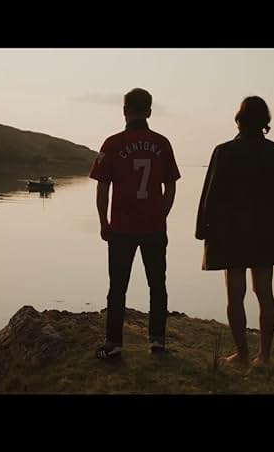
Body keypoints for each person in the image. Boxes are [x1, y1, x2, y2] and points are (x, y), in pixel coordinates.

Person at [195, 96, 274, 365]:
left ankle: (241, 354)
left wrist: (202, 229)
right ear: (265, 122)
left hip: (230, 231)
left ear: (239, 120)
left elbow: (211, 193)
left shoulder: (224, 151)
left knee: (235, 295)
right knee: (265, 292)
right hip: (267, 230)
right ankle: (264, 355)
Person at [88, 88, 181, 360]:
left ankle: (113, 343)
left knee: (117, 286)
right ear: (149, 111)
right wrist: (161, 214)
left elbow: (102, 188)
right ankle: (157, 341)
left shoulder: (112, 143)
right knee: (158, 285)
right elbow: (171, 186)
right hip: (154, 227)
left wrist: (103, 221)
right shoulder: (162, 143)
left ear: (124, 110)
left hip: (121, 228)